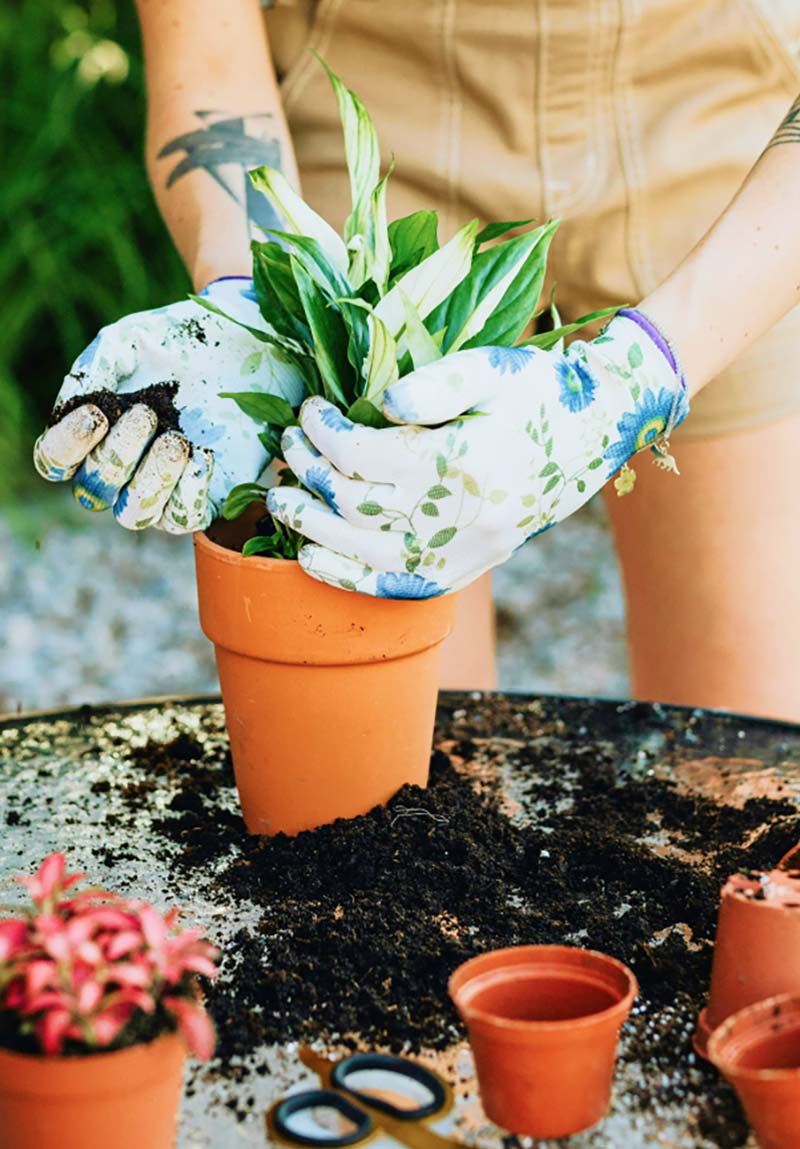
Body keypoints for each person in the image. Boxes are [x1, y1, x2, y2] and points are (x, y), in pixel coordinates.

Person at [34, 1, 800, 722]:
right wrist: (254, 293)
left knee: (749, 777)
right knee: (394, 804)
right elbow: (206, 39)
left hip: (728, 124)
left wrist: (646, 371)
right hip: (374, 105)